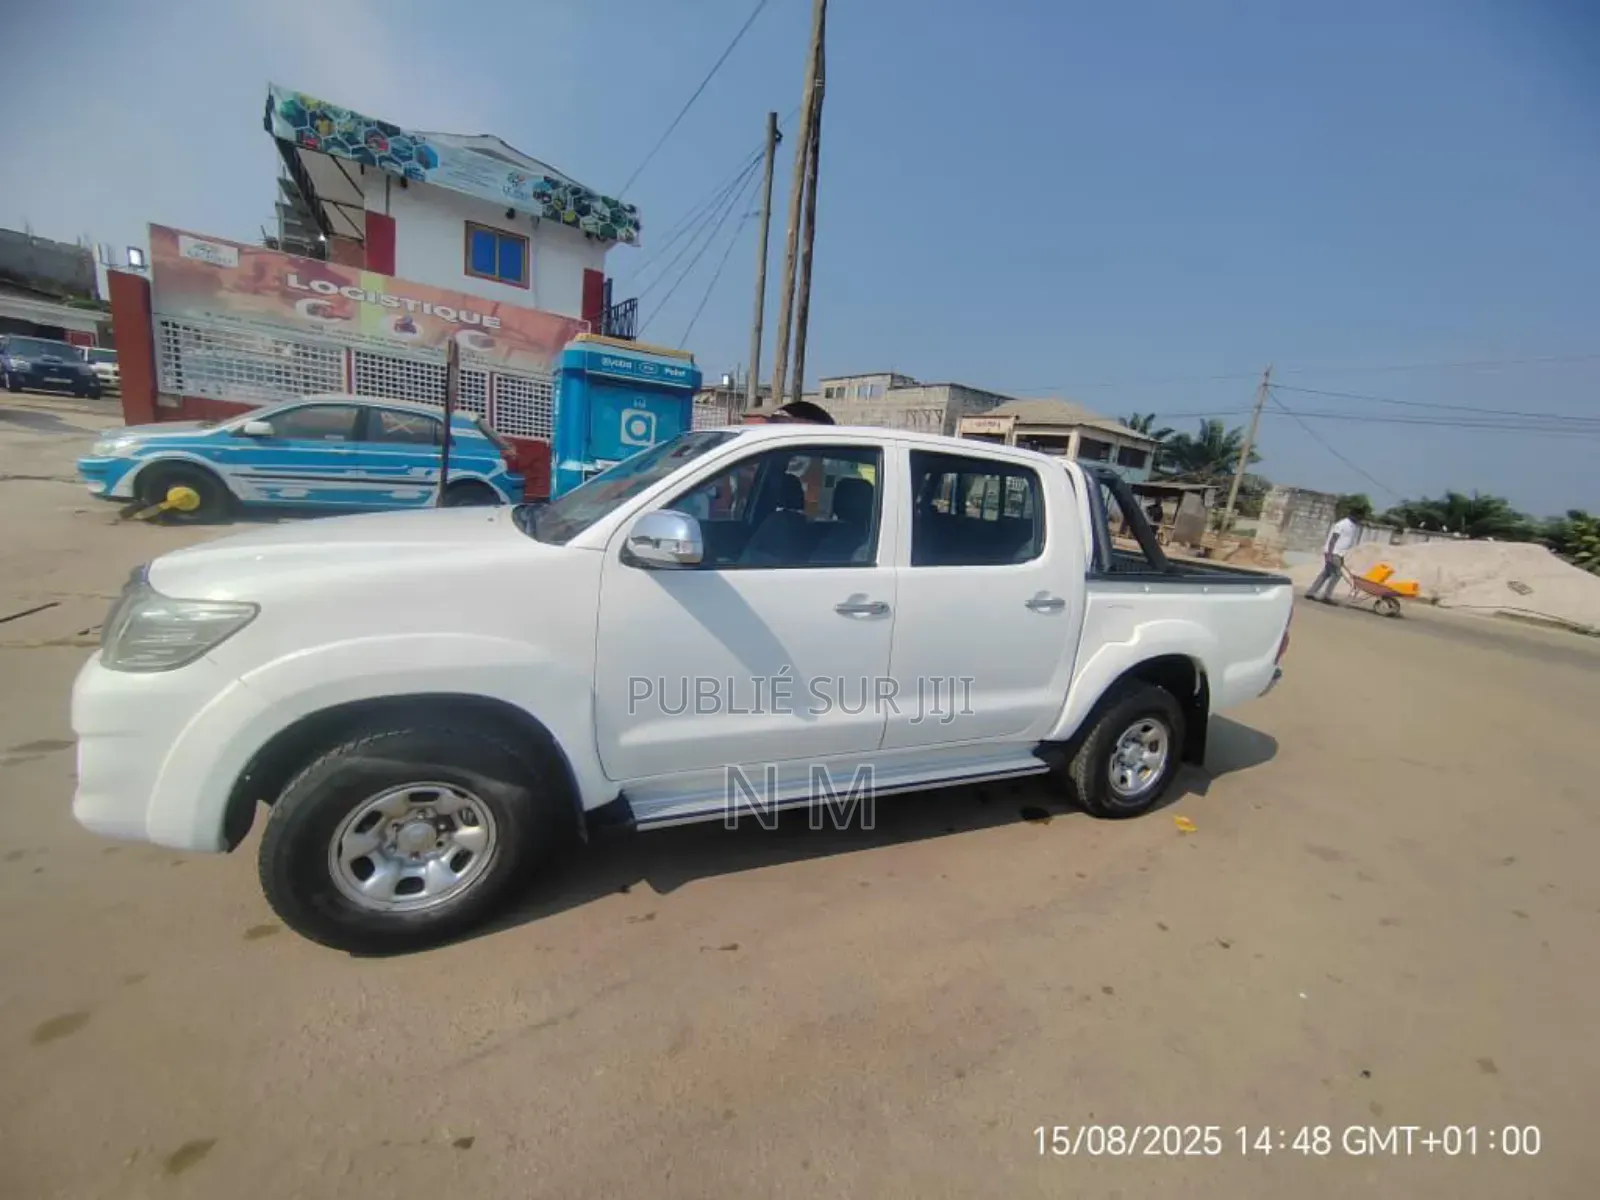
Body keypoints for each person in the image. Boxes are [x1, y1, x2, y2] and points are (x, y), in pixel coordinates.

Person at [1306, 512, 1360, 603]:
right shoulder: (1341, 524)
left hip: (1339, 553)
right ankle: (1327, 596)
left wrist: (1342, 557)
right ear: (1352, 515)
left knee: (1326, 573)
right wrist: (1329, 555)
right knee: (1337, 574)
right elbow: (1333, 539)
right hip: (1333, 552)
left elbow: (1345, 542)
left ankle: (1311, 592)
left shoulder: (1353, 526)